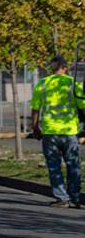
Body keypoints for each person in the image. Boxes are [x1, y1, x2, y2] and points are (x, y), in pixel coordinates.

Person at [30, 55, 85, 208]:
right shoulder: (73, 84)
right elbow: (83, 106)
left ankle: (62, 198)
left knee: (54, 166)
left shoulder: (42, 84)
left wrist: (35, 127)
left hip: (50, 132)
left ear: (51, 68)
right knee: (73, 165)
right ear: (65, 67)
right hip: (70, 132)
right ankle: (74, 198)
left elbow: (35, 108)